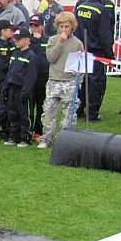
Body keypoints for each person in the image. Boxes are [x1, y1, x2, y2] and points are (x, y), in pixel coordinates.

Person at [38, 12, 84, 149]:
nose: (64, 29)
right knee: (48, 112)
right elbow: (51, 58)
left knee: (68, 114)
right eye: (61, 26)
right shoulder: (52, 40)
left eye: (67, 26)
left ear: (72, 27)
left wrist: (78, 82)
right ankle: (46, 138)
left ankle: (64, 140)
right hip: (54, 81)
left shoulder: (77, 44)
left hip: (70, 82)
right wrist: (60, 42)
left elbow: (81, 66)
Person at [74, 0, 115, 121]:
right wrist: (110, 56)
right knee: (96, 84)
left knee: (80, 81)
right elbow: (105, 35)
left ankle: (77, 109)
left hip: (80, 50)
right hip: (96, 53)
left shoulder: (80, 6)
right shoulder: (101, 9)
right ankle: (92, 113)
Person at [1, 27, 39, 147]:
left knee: (24, 114)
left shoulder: (31, 56)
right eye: (15, 40)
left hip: (23, 90)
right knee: (12, 113)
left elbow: (31, 77)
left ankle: (25, 137)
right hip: (12, 88)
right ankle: (13, 136)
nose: (16, 42)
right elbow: (10, 72)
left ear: (27, 40)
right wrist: (5, 88)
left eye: (18, 40)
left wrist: (25, 92)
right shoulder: (14, 54)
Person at [28, 14, 49, 140]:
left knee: (42, 105)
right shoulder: (27, 39)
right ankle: (28, 130)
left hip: (43, 77)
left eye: (36, 25)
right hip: (30, 78)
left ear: (42, 26)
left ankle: (38, 131)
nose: (33, 28)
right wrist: (34, 40)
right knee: (29, 105)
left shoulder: (48, 40)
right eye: (31, 25)